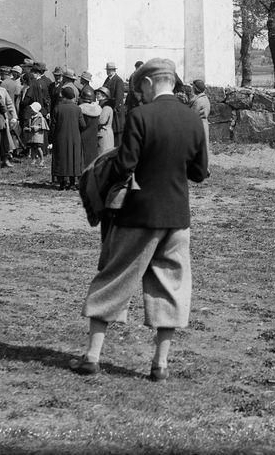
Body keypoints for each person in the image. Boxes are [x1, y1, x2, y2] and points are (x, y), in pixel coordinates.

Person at [74, 57, 209, 382]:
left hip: (137, 214)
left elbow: (125, 165)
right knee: (171, 286)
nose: (141, 94)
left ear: (148, 83)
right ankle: (160, 364)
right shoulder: (192, 118)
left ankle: (92, 357)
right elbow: (199, 172)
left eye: (141, 89)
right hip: (177, 217)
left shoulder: (140, 116)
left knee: (114, 278)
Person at [51, 84, 83, 190]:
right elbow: (82, 124)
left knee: (61, 158)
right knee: (73, 158)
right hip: (74, 137)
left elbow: (53, 125)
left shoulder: (57, 108)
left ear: (63, 96)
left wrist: (52, 138)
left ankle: (62, 183)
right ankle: (73, 182)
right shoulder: (77, 109)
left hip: (60, 137)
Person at [102, 62, 126, 148]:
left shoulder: (118, 81)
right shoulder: (108, 79)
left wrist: (113, 109)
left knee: (117, 133)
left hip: (116, 111)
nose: (108, 72)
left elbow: (119, 97)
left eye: (110, 70)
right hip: (109, 109)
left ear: (114, 70)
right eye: (107, 70)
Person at [78, 85, 102, 167]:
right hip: (93, 137)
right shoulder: (98, 110)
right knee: (92, 157)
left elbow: (80, 124)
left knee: (83, 158)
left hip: (82, 136)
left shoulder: (81, 110)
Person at [190, 79, 210, 146]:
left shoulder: (199, 101)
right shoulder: (205, 98)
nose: (192, 89)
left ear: (195, 89)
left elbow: (193, 115)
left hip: (198, 125)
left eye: (193, 87)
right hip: (204, 124)